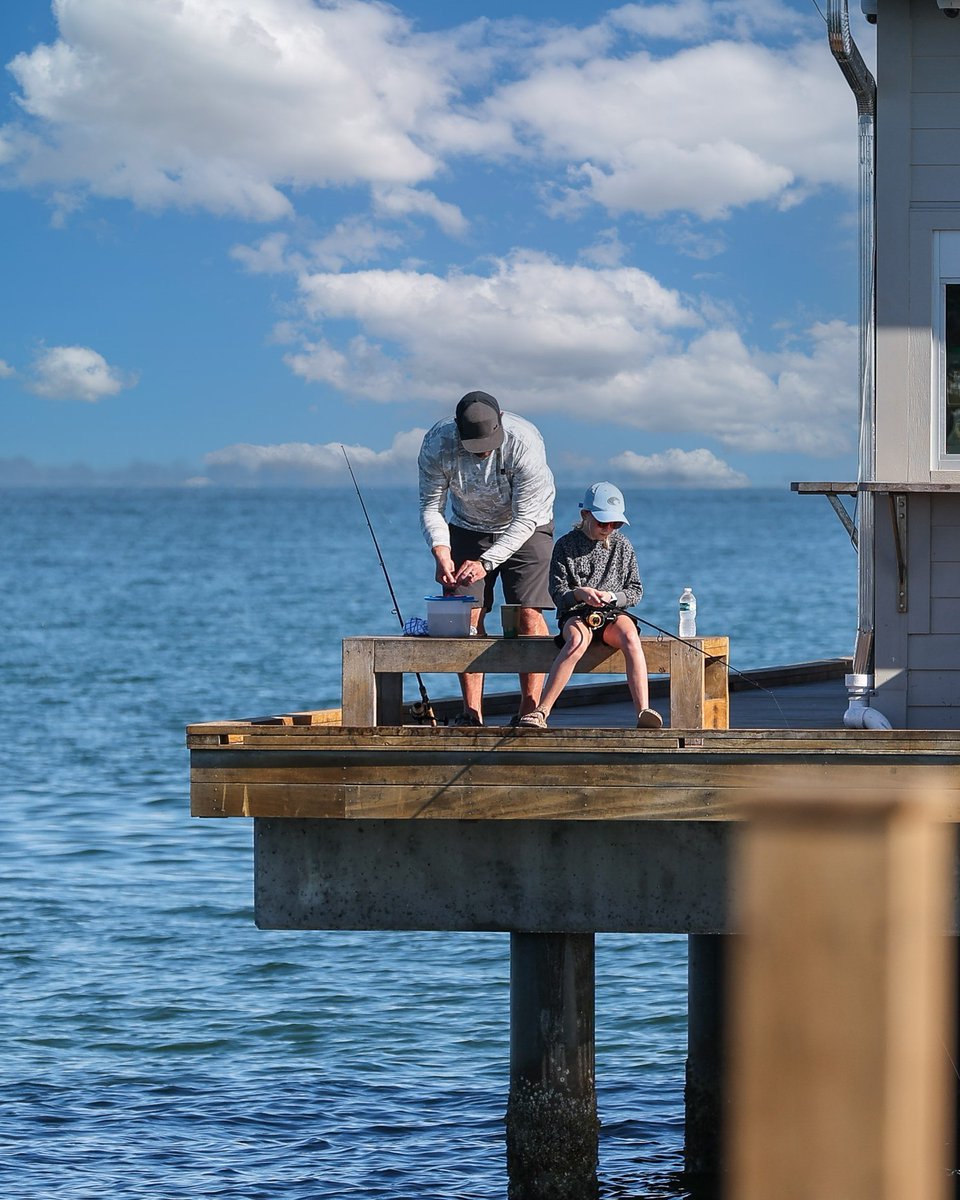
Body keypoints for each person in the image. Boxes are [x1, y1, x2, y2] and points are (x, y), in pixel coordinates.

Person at [418, 391, 555, 726]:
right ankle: (472, 713)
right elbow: (431, 507)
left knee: (527, 612)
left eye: (489, 443)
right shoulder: (437, 443)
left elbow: (525, 519)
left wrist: (486, 563)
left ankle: (530, 709)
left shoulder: (525, 442)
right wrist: (442, 552)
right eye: (474, 446)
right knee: (466, 615)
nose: (482, 451)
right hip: (466, 525)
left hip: (528, 525)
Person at [517, 481, 663, 730]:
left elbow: (635, 591)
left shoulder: (623, 546)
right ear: (585, 515)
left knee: (630, 636)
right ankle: (541, 711)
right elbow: (557, 593)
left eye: (614, 524)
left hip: (612, 614)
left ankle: (643, 711)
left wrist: (613, 598)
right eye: (602, 523)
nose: (608, 529)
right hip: (576, 614)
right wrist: (580, 594)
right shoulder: (565, 545)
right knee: (576, 641)